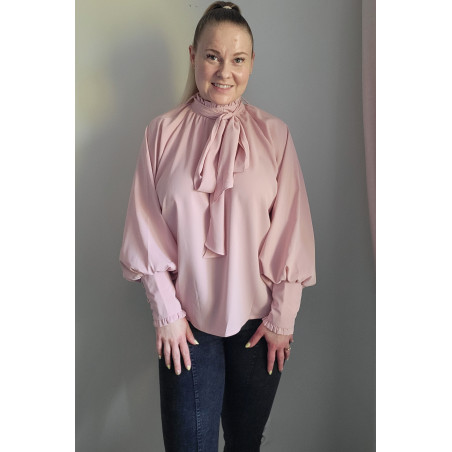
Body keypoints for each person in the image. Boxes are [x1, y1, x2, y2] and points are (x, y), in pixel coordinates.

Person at [119, 2, 316, 451]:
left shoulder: (275, 135)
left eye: (238, 59)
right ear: (193, 56)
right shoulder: (161, 133)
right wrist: (166, 313)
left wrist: (283, 317)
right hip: (186, 321)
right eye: (213, 56)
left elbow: (292, 230)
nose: (225, 71)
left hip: (259, 322)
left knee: (245, 444)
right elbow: (144, 227)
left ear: (251, 63)